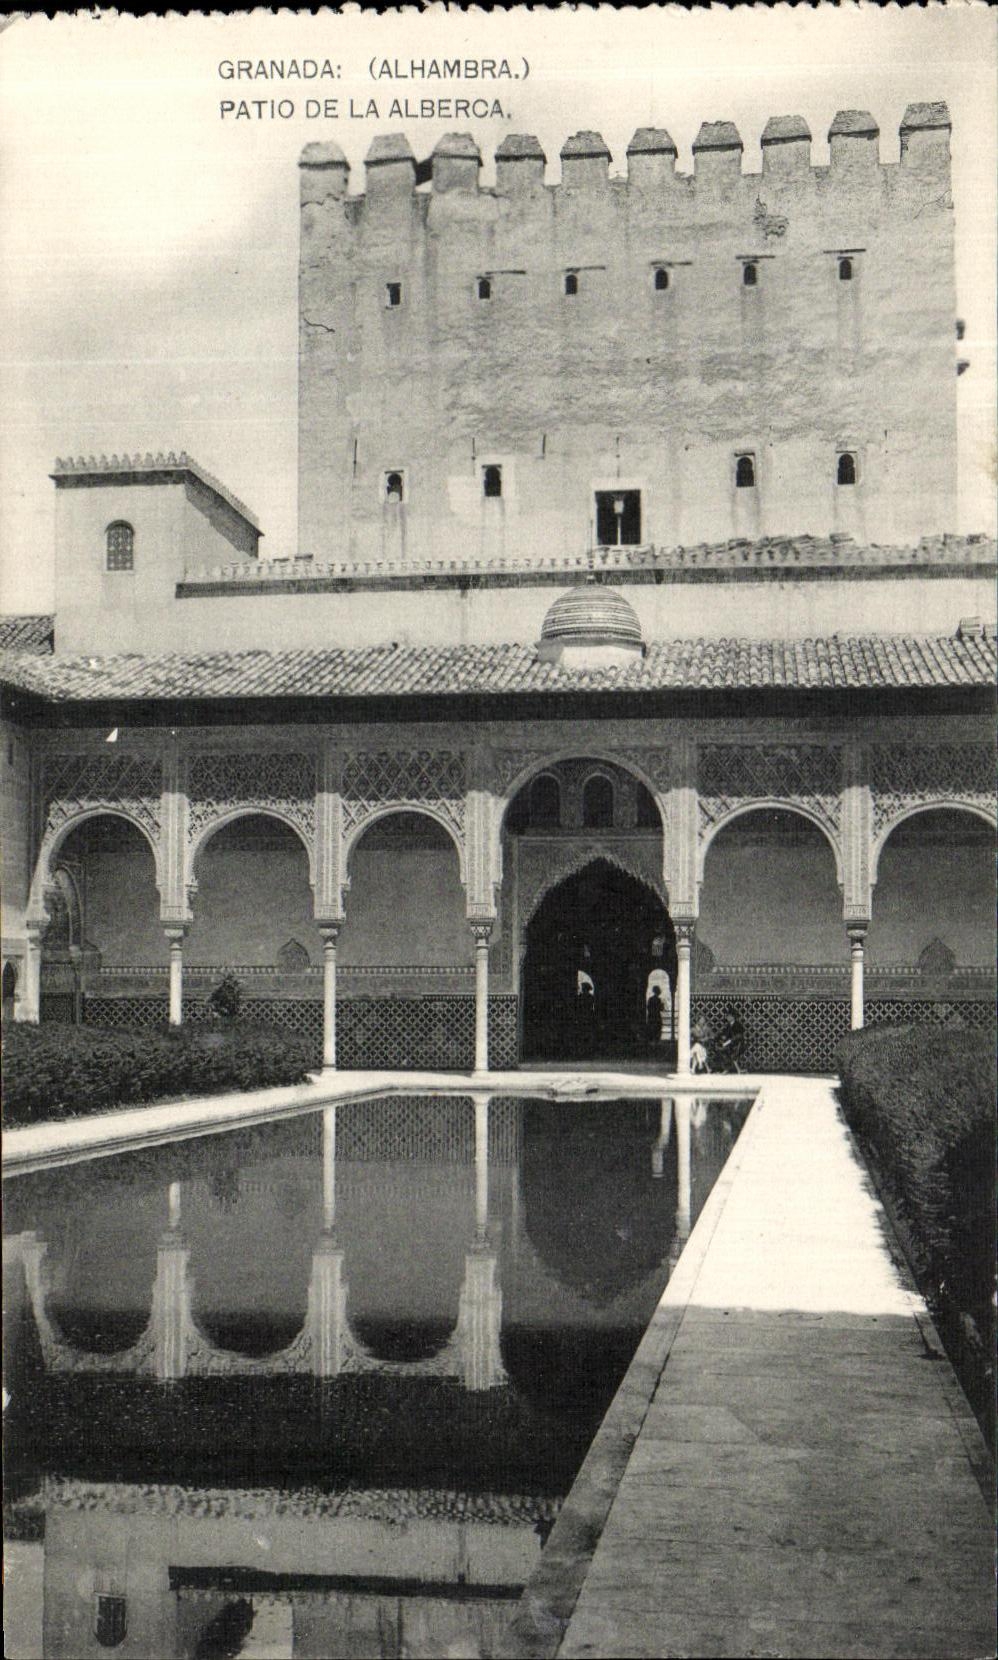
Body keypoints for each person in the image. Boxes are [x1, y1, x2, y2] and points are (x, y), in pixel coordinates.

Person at [715, 1006, 746, 1072]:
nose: (727, 1017)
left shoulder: (738, 1025)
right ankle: (726, 1067)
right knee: (719, 1048)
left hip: (737, 1044)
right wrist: (722, 1037)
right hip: (729, 1043)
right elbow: (725, 1034)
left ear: (733, 1016)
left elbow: (739, 1036)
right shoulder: (728, 1025)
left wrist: (728, 1041)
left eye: (728, 1016)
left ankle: (727, 1068)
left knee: (723, 1049)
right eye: (727, 1016)